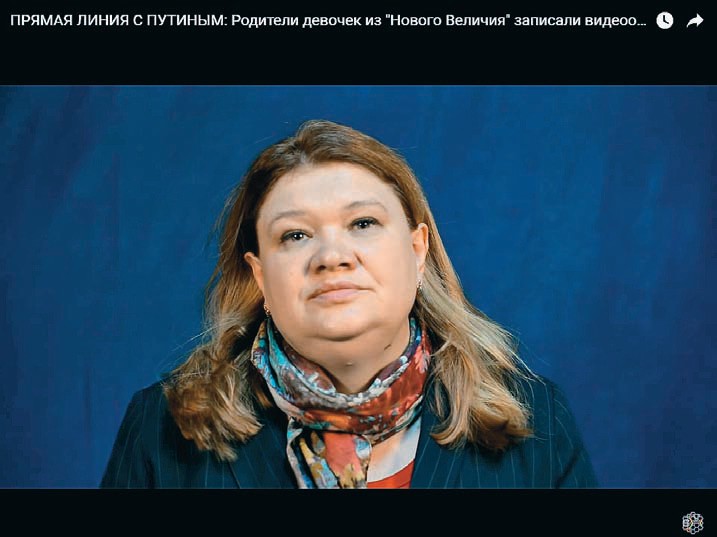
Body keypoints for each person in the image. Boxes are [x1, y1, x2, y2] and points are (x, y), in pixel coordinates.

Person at [100, 119, 598, 489]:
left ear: (417, 251)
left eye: (362, 224)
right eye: (295, 235)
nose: (332, 257)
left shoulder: (538, 421)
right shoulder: (161, 428)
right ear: (260, 276)